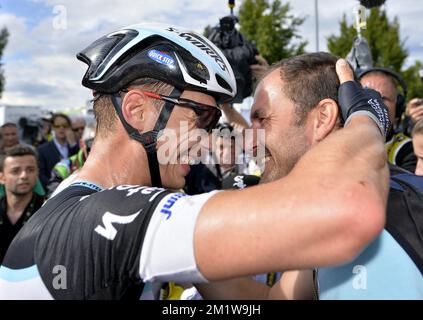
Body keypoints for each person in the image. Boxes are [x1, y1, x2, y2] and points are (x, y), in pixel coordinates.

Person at [0, 24, 390, 300]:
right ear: (138, 110)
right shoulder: (112, 213)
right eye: (200, 118)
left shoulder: (91, 201)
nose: (205, 139)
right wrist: (366, 120)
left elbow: (269, 299)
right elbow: (349, 211)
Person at [198, 53, 423, 300]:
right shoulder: (327, 212)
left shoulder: (391, 214)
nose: (250, 142)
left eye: (262, 119)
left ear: (323, 118)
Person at [359, 67, 417, 172]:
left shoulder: (410, 149)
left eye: (382, 98)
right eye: (366, 97)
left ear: (399, 106)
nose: (374, 104)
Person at [0, 145, 44, 264]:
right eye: (15, 171)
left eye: (30, 170)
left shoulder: (47, 209)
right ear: (2, 177)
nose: (24, 176)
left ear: (37, 173)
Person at [37, 113, 79, 188]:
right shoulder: (42, 149)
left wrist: (73, 145)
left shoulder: (75, 146)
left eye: (65, 126)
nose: (61, 128)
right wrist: (55, 187)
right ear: (52, 127)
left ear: (69, 127)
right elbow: (41, 175)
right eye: (57, 126)